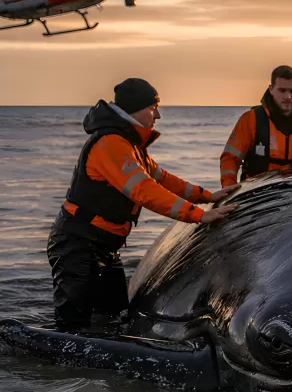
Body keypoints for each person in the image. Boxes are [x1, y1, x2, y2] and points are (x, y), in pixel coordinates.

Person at [47, 78, 237, 332]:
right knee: (73, 326)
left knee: (115, 319)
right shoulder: (111, 144)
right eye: (153, 107)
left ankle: (101, 369)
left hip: (105, 249)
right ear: (133, 109)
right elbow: (144, 191)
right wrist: (198, 216)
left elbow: (163, 179)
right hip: (77, 245)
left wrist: (208, 196)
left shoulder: (131, 146)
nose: (158, 114)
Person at [220, 65, 292, 185]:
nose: (288, 96)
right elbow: (230, 159)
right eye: (282, 90)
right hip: (256, 194)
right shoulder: (251, 120)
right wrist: (229, 189)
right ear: (271, 89)